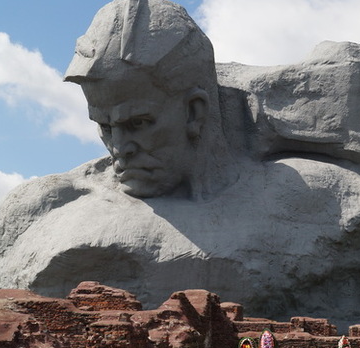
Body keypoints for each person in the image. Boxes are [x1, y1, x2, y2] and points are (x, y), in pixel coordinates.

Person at [64, 0, 236, 200]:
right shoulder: (65, 202)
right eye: (105, 127)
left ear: (194, 112)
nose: (119, 149)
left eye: (137, 123)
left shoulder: (275, 200)